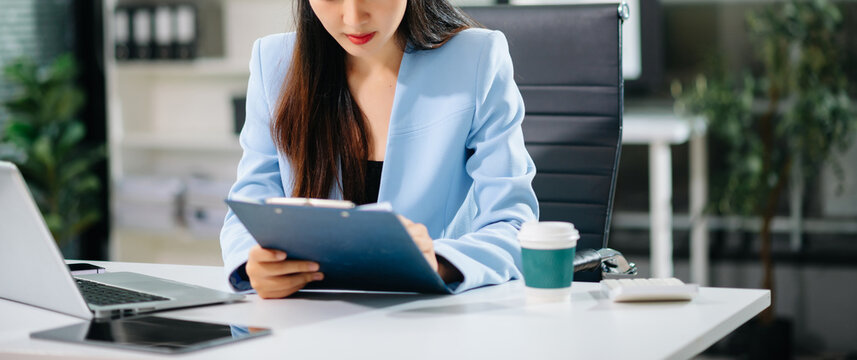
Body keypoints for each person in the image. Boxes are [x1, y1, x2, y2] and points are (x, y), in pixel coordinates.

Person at [220, 0, 539, 298]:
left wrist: (439, 262)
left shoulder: (476, 59)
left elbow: (513, 225)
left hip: (432, 323)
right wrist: (254, 265)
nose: (354, 17)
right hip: (309, 320)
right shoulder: (274, 62)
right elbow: (246, 209)